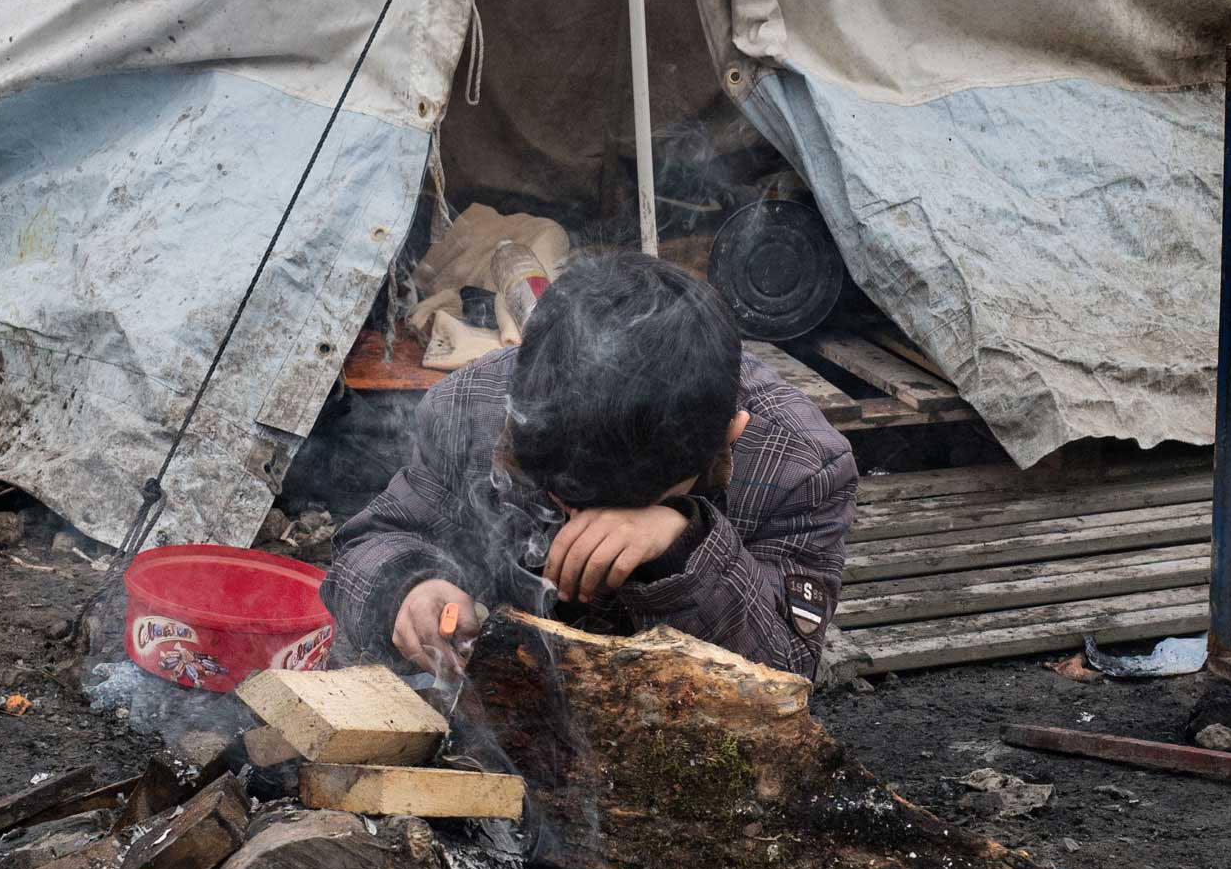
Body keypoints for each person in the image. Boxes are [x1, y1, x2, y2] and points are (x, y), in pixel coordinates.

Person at [327, 252, 858, 680]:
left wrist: (682, 544)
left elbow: (789, 668)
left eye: (620, 503)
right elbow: (374, 541)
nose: (581, 521)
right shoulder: (471, 404)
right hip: (505, 715)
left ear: (729, 436)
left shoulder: (799, 463)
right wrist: (406, 587)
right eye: (562, 499)